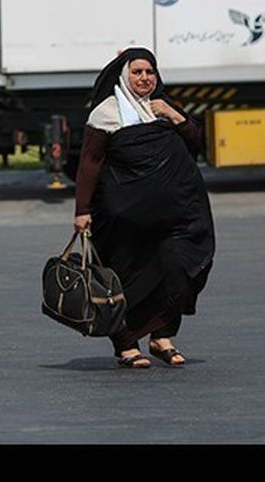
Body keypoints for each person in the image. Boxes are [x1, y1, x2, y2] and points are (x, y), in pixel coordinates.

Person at [74, 48, 215, 369]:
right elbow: (90, 164)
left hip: (177, 215)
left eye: (149, 72)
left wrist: (174, 115)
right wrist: (82, 209)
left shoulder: (163, 108)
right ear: (124, 75)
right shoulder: (106, 113)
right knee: (128, 278)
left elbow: (196, 144)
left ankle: (161, 336)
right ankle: (125, 344)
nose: (144, 78)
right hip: (124, 219)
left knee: (179, 269)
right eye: (137, 72)